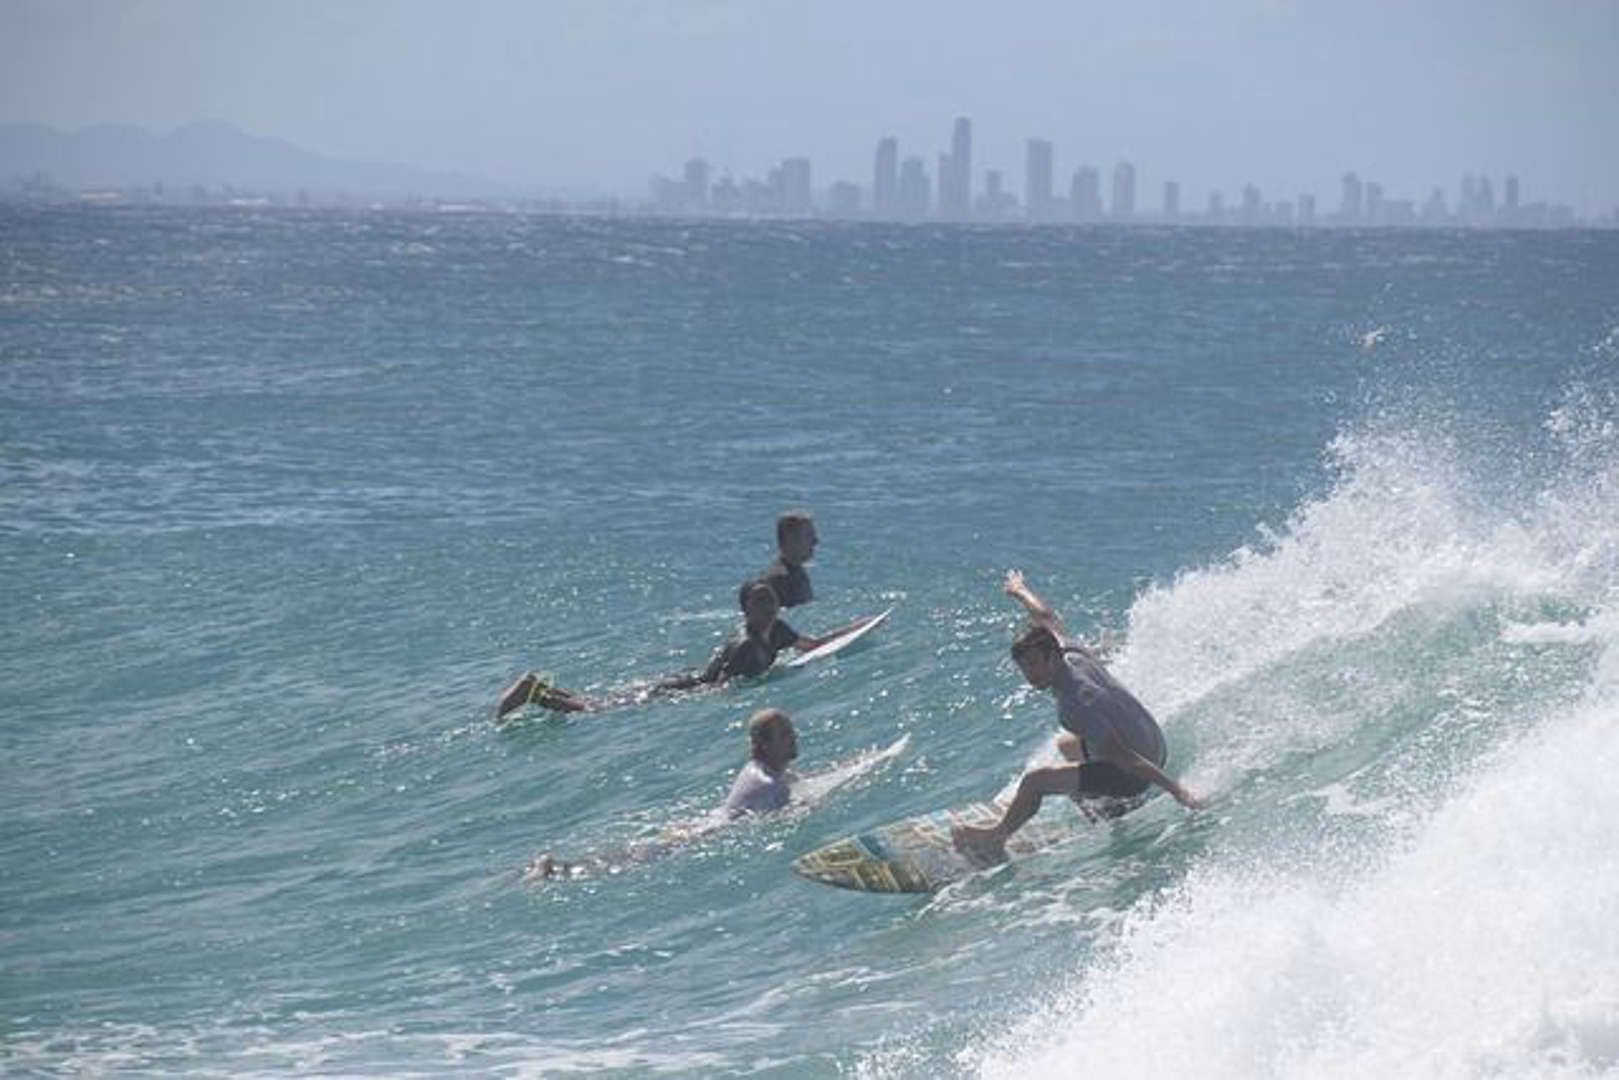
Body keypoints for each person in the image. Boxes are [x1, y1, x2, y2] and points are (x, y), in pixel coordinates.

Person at [951, 570, 1204, 866]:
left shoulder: (1075, 704)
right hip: (1155, 744)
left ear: (1051, 656)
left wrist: (1178, 791)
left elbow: (1123, 757)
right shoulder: (1069, 650)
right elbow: (1044, 615)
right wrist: (1020, 590)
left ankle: (994, 840)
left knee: (1035, 781)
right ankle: (1110, 810)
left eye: (1034, 665)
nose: (1030, 676)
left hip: (1135, 770)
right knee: (1066, 746)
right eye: (1023, 668)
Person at [524, 708, 802, 881]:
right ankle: (557, 870)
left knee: (635, 854)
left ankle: (559, 868)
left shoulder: (763, 770)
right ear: (764, 745)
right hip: (705, 834)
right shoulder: (768, 781)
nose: (793, 737)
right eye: (785, 734)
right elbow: (781, 814)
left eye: (790, 731)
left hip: (701, 825)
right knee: (633, 860)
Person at [495, 584, 844, 719]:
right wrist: (693, 705)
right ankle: (533, 692)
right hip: (682, 687)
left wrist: (853, 628)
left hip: (688, 680)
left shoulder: (780, 630)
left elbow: (812, 646)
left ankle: (540, 690)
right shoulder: (745, 645)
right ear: (746, 611)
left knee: (598, 702)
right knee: (595, 709)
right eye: (760, 602)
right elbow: (719, 685)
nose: (769, 605)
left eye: (771, 599)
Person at [737, 511, 819, 612]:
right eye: (809, 536)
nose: (815, 541)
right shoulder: (781, 581)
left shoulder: (795, 573)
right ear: (791, 539)